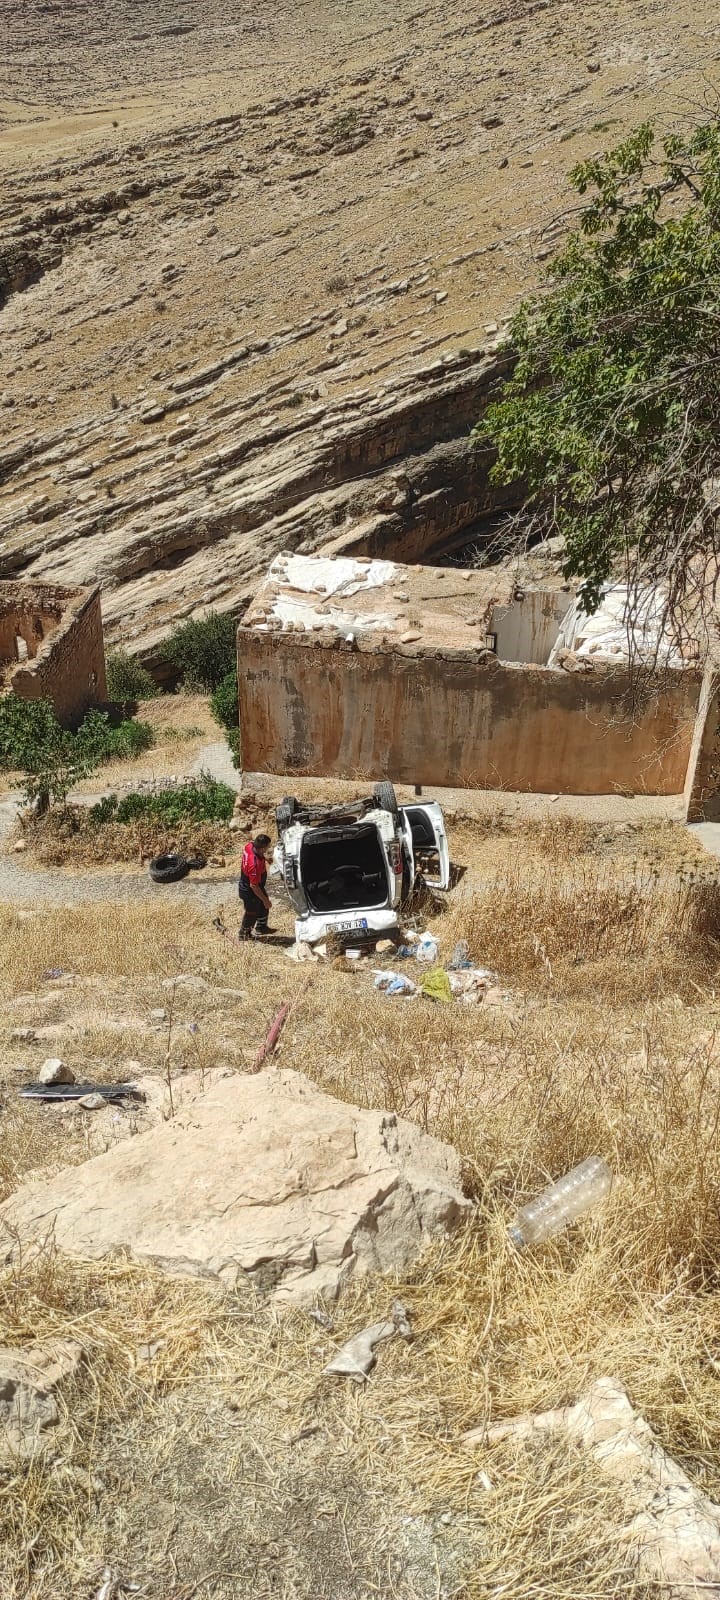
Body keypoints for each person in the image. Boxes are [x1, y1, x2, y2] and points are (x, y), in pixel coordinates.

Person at [239, 833, 275, 939]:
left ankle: (261, 928)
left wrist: (265, 859)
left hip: (256, 885)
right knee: (252, 912)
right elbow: (254, 886)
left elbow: (258, 852)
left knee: (264, 906)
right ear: (262, 848)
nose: (268, 848)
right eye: (267, 846)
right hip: (249, 889)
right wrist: (265, 900)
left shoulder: (250, 846)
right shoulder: (253, 865)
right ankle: (244, 934)